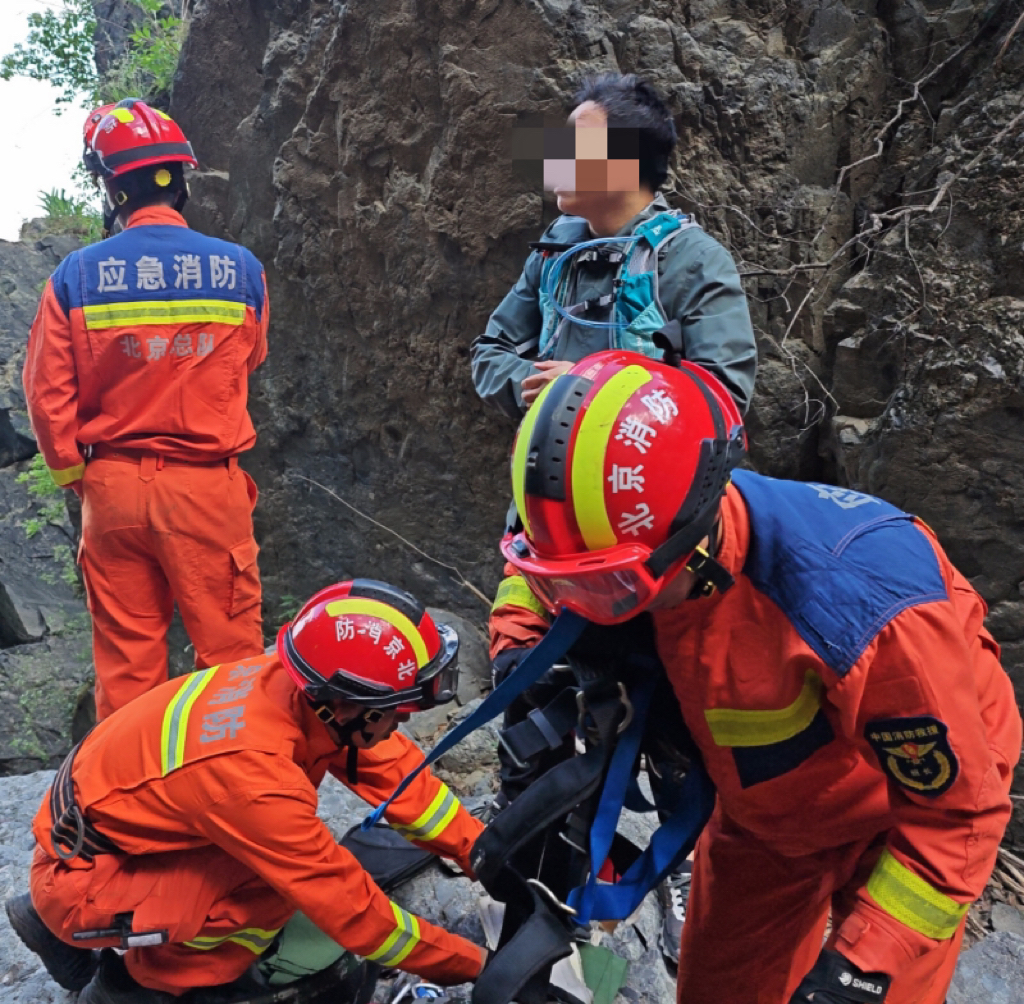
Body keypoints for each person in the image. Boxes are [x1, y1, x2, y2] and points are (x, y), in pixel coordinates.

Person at [494, 351, 1022, 1004]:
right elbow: (538, 573)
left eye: (612, 586)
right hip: (765, 817)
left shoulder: (862, 607)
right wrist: (517, 657)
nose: (589, 604)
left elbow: (956, 822)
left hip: (905, 814)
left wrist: (859, 967)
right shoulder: (613, 530)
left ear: (697, 537)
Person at [474, 72, 754, 957]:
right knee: (527, 692)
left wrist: (609, 395)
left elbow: (728, 402)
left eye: (579, 141)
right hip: (547, 542)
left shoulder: (690, 259)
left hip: (660, 549)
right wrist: (523, 383)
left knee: (676, 722)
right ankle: (536, 880)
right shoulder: (549, 258)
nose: (557, 157)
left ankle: (677, 881)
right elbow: (490, 351)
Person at [4, 580, 488, 1003]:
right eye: (398, 710)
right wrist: (480, 966)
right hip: (84, 875)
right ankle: (134, 988)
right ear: (346, 707)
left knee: (276, 862)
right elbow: (352, 910)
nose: (403, 719)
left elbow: (399, 777)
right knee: (270, 888)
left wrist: (491, 856)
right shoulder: (254, 777)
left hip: (94, 834)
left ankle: (57, 920)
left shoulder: (297, 683)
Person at [23, 98, 269, 720]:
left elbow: (47, 397)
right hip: (207, 488)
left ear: (111, 187)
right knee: (230, 662)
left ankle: (123, 805)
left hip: (114, 489)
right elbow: (249, 359)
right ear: (181, 180)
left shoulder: (76, 275)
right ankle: (229, 794)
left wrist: (80, 480)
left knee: (127, 665)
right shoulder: (240, 270)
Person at [471, 71, 757, 420]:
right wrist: (539, 387)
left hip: (644, 471)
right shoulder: (554, 250)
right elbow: (491, 353)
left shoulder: (694, 260)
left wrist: (587, 390)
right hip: (551, 468)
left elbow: (722, 396)